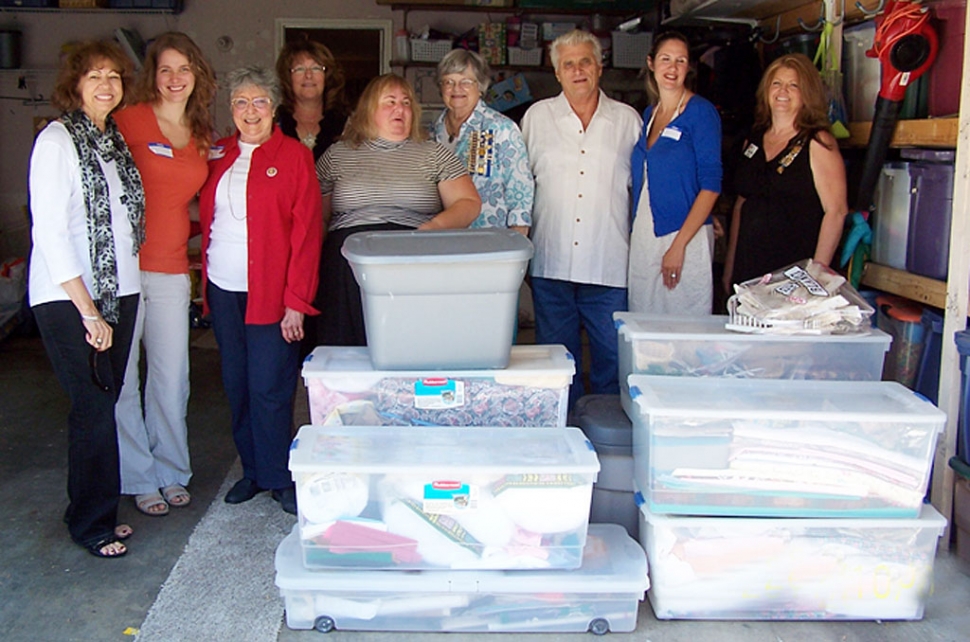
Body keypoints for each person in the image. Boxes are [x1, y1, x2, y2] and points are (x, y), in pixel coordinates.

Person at [28, 40, 145, 558]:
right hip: (71, 297)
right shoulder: (57, 141)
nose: (106, 85)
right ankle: (91, 523)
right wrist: (88, 310)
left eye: (115, 76)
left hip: (121, 289)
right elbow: (51, 234)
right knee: (92, 408)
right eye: (95, 75)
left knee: (106, 403)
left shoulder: (111, 139)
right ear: (74, 83)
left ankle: (95, 508)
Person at [198, 66, 323, 515]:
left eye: (259, 102)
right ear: (231, 109)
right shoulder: (217, 153)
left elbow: (307, 235)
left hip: (272, 293)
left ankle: (279, 475)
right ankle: (251, 471)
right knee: (237, 383)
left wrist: (296, 302)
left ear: (274, 108)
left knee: (271, 385)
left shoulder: (293, 156)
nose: (250, 111)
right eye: (240, 102)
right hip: (224, 288)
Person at [113, 32, 216, 517]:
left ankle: (172, 469)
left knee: (172, 375)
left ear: (197, 76)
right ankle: (138, 476)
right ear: (152, 75)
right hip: (125, 269)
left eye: (184, 69)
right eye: (166, 70)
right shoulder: (129, 120)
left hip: (174, 267)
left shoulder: (200, 134)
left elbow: (198, 201)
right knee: (125, 378)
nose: (175, 79)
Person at [521, 30, 641, 408]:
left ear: (599, 67)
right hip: (550, 261)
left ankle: (605, 438)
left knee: (611, 358)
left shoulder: (627, 120)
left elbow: (645, 190)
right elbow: (519, 186)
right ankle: (563, 435)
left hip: (608, 263)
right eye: (567, 64)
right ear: (557, 73)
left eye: (584, 61)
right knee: (557, 362)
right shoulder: (537, 118)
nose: (577, 71)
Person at [315, 73, 481, 346]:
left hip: (412, 256)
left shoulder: (433, 153)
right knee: (346, 350)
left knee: (407, 345)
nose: (399, 109)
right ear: (369, 109)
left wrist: (431, 229)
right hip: (348, 263)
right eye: (389, 101)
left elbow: (469, 203)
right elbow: (318, 218)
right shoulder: (338, 154)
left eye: (406, 102)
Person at [722, 53, 848, 290]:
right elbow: (742, 203)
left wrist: (815, 275)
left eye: (793, 85)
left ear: (807, 94)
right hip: (749, 271)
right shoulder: (753, 139)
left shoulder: (818, 142)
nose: (783, 91)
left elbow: (836, 212)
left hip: (794, 275)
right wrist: (730, 267)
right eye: (776, 83)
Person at [628, 31, 722, 315]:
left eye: (680, 61)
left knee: (683, 324)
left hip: (684, 235)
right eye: (666, 59)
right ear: (651, 63)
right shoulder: (649, 114)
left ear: (689, 68)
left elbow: (711, 184)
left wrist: (679, 246)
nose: (672, 68)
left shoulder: (701, 113)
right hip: (645, 231)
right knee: (643, 319)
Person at [431, 48, 533, 234]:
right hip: (442, 240)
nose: (456, 89)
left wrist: (516, 250)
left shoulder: (501, 129)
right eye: (449, 82)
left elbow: (520, 196)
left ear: (480, 87)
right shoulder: (433, 132)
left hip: (490, 242)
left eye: (466, 82)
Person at [274, 39, 348, 163]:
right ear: (288, 77)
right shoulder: (272, 125)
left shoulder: (349, 126)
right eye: (299, 69)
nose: (308, 75)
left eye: (316, 68)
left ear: (327, 76)